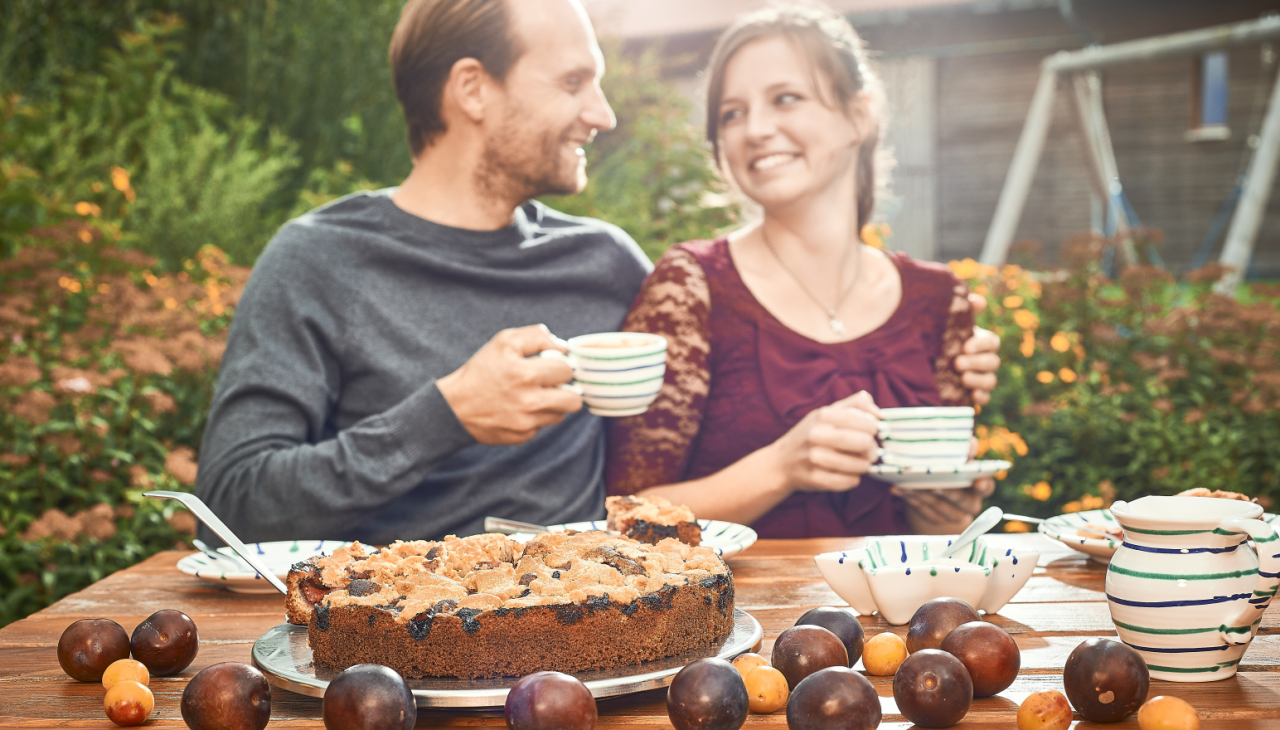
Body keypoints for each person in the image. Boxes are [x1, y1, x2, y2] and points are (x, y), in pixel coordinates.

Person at [194, 0, 652, 544]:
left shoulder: (606, 262)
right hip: (387, 620)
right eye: (573, 82)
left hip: (590, 614)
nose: (603, 115)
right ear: (472, 89)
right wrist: (445, 416)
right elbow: (227, 509)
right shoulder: (319, 261)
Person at [605, 5, 1001, 537]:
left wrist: (945, 514)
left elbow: (942, 529)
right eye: (732, 113)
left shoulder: (939, 299)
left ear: (858, 115)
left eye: (785, 98)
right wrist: (781, 467)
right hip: (739, 620)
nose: (756, 129)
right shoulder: (691, 286)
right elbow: (627, 519)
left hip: (893, 621)